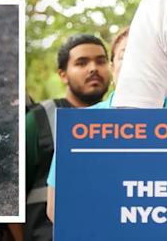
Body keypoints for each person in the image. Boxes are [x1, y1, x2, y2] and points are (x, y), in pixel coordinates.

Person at [24, 34, 112, 241]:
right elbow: (10, 194)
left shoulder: (121, 121)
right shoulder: (40, 118)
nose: (93, 68)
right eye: (81, 63)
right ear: (63, 75)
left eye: (101, 61)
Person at [44, 27, 130, 225]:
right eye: (126, 56)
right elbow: (56, 208)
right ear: (113, 66)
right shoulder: (82, 124)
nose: (137, 62)